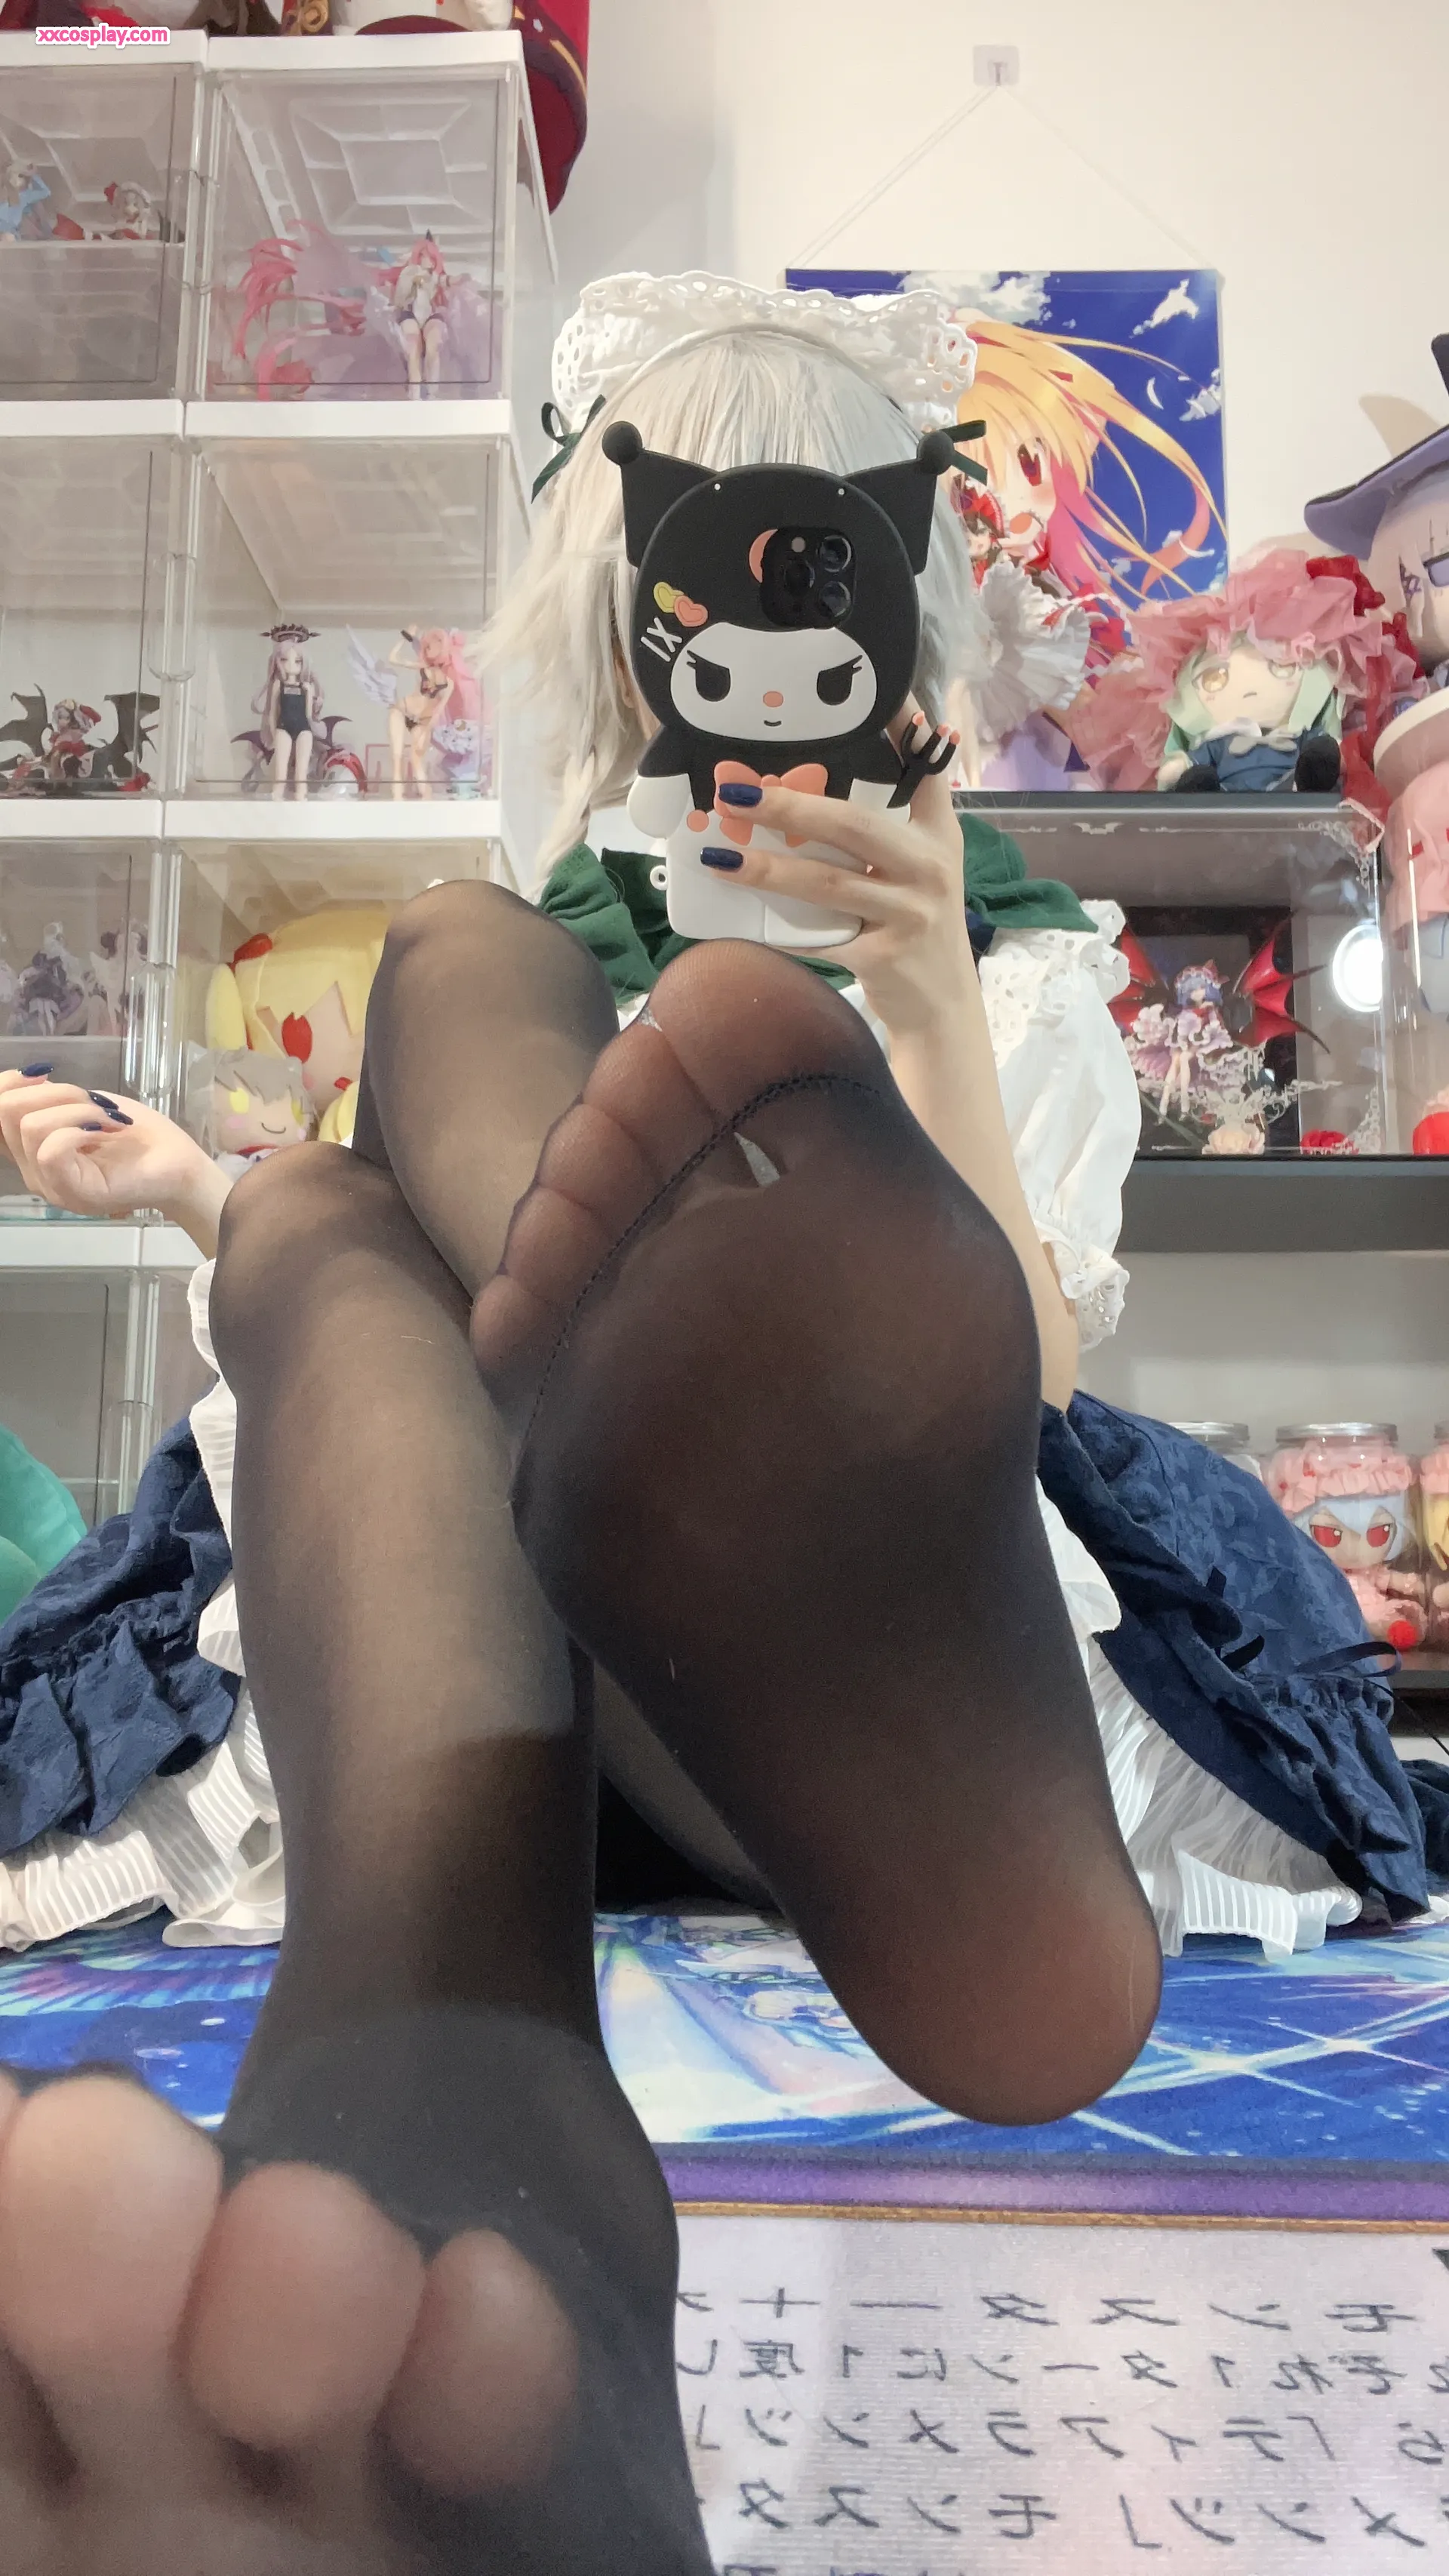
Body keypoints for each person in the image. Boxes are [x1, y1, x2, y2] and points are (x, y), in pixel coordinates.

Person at [0, 276, 1437, 2574]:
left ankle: (456, 2170)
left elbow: (1032, 1376)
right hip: (561, 1610)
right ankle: (657, 1450)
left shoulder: (1015, 958)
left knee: (394, 1127)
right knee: (383, 1113)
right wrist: (195, 1190)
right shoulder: (551, 938)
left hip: (830, 1644)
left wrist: (929, 993)